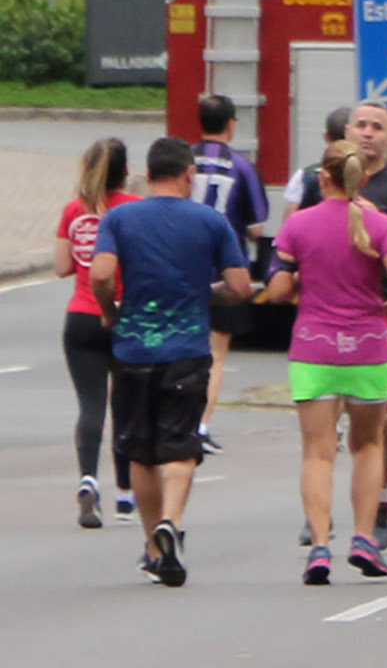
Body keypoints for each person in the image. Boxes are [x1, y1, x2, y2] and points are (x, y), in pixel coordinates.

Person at [89, 138, 251, 586]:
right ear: (187, 175)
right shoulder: (210, 221)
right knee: (179, 447)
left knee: (140, 451)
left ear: (149, 171)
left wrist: (109, 309)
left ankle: (151, 544)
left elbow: (100, 274)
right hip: (187, 351)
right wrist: (207, 291)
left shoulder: (120, 218)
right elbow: (239, 286)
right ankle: (171, 522)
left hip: (133, 350)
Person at [265, 145, 387, 582]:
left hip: (315, 347)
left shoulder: (298, 225)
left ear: (322, 178)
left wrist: (299, 280)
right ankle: (366, 539)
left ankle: (318, 546)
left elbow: (276, 291)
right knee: (367, 445)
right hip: (369, 346)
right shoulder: (381, 224)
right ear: (361, 179)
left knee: (318, 451)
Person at [292, 102, 387, 551]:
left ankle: (381, 500)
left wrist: (382, 226)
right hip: (322, 313)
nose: (369, 133)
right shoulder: (321, 182)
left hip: (380, 313)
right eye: (362, 125)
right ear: (346, 131)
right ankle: (323, 520)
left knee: (380, 419)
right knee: (325, 424)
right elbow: (293, 242)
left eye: (378, 128)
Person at [56, 137, 134, 529]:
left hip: (81, 316)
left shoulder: (74, 209)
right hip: (124, 315)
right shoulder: (133, 210)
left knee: (90, 405)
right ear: (126, 171)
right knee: (124, 405)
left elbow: (60, 266)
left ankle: (88, 477)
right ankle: (125, 493)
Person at [186, 94, 269, 452]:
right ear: (232, 124)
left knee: (182, 344)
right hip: (224, 265)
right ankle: (201, 426)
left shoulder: (183, 159)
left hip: (183, 262)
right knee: (216, 352)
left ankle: (177, 419)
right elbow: (257, 224)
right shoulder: (242, 167)